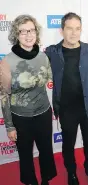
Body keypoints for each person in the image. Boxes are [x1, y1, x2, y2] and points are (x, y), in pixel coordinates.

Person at [45, 12, 88, 185]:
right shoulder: (52, 52)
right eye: (69, 28)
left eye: (77, 28)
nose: (73, 33)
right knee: (68, 146)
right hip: (67, 110)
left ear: (81, 30)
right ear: (61, 30)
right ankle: (71, 173)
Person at [0, 14, 57, 185]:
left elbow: (48, 79)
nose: (28, 35)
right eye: (23, 31)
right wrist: (9, 125)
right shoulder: (7, 62)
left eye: (31, 30)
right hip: (21, 119)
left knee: (46, 150)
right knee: (25, 154)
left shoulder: (43, 57)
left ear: (36, 32)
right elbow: (4, 96)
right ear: (16, 35)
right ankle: (30, 181)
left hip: (43, 114)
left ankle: (46, 178)